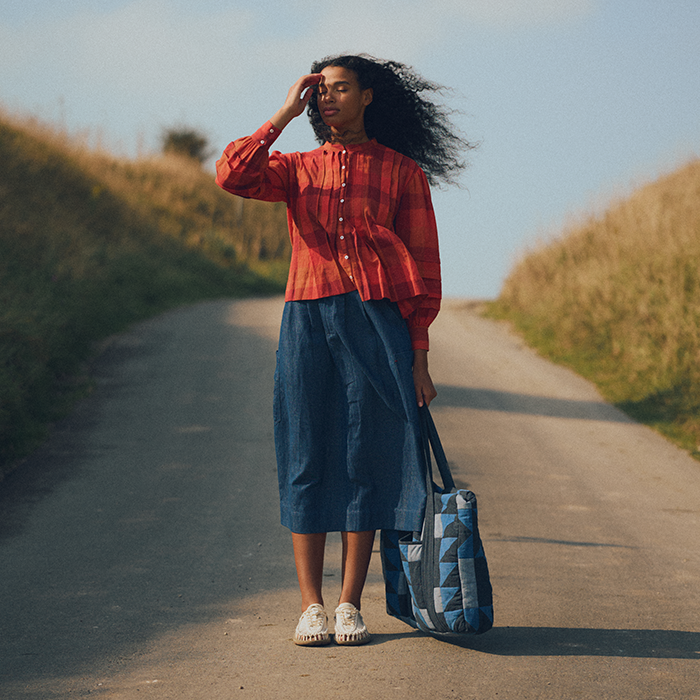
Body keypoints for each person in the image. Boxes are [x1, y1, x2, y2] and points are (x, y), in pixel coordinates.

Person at [215, 54, 471, 646]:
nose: (327, 98)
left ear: (368, 96)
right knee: (304, 450)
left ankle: (351, 603)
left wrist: (419, 356)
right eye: (318, 91)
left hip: (374, 321)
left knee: (365, 456)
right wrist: (284, 112)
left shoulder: (403, 172)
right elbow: (233, 175)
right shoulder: (296, 167)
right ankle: (310, 605)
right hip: (305, 316)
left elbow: (425, 269)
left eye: (339, 88)